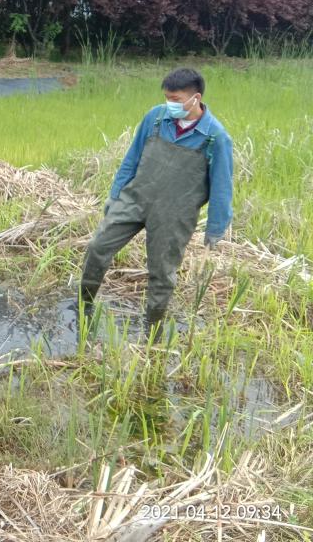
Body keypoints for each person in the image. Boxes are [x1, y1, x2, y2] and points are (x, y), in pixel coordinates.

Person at [78, 68, 233, 340]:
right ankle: (83, 306)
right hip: (135, 198)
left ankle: (153, 329)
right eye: (167, 98)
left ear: (195, 98)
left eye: (175, 99)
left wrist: (215, 229)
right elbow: (132, 159)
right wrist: (115, 196)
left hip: (174, 215)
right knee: (97, 246)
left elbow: (222, 186)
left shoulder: (215, 137)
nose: (169, 104)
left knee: (161, 273)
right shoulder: (157, 118)